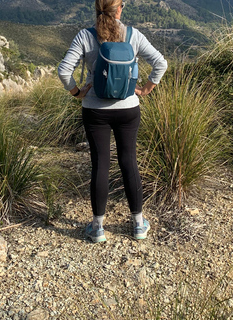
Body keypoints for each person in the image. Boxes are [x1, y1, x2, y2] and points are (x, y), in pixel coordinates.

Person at [58, 0, 167, 242]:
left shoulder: (85, 36)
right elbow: (161, 63)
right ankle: (138, 224)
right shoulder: (134, 35)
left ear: (97, 10)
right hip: (128, 109)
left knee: (101, 165)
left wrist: (77, 92)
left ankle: (97, 228)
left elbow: (64, 70)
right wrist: (146, 89)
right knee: (129, 161)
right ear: (119, 10)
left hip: (95, 111)